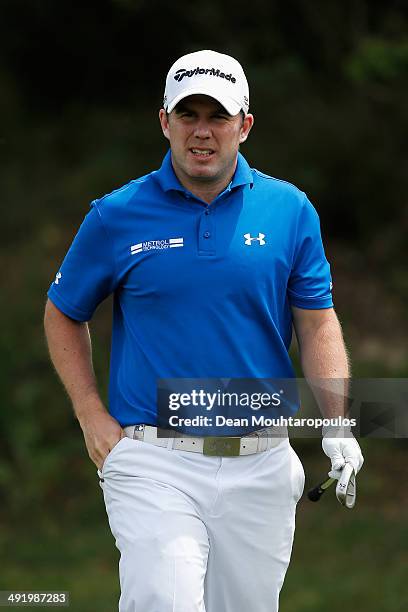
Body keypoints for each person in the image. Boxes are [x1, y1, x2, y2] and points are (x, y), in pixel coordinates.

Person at [44, 49, 364, 612]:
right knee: (163, 601)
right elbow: (63, 310)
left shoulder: (290, 209)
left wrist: (336, 420)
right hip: (153, 459)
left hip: (263, 463)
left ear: (245, 125)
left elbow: (317, 322)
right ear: (164, 121)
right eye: (187, 115)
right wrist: (90, 413)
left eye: (217, 116)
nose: (202, 132)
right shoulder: (116, 215)